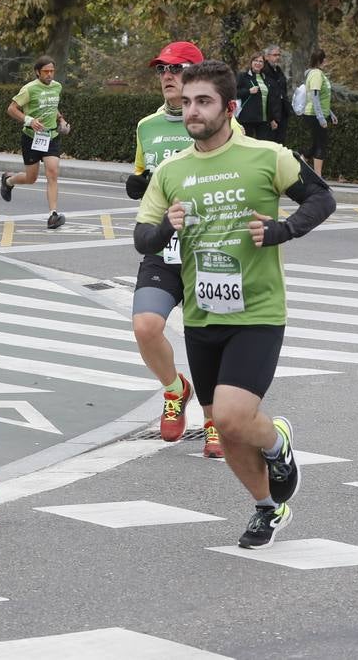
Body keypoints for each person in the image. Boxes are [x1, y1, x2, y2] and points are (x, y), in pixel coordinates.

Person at [133, 60, 336, 549]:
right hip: (203, 314)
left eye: (203, 102)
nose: (192, 112)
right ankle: (268, 507)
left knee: (228, 417)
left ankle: (276, 441)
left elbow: (321, 198)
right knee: (227, 426)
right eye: (186, 103)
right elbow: (143, 238)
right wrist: (168, 228)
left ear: (230, 107)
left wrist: (281, 230)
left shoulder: (267, 156)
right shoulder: (172, 170)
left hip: (258, 311)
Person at [125, 41, 223, 458]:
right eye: (161, 69)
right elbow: (140, 177)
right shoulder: (147, 126)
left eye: (176, 68)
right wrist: (139, 185)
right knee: (146, 326)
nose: (166, 75)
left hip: (210, 251)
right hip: (163, 249)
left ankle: (215, 416)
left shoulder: (220, 125)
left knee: (212, 339)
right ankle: (174, 389)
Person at [0, 57, 69, 229]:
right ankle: (8, 181)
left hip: (51, 136)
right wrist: (29, 120)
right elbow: (11, 109)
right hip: (31, 137)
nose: (50, 74)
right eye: (46, 71)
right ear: (37, 72)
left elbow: (52, 107)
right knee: (31, 178)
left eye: (52, 71)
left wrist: (61, 120)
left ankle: (53, 215)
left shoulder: (57, 87)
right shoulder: (29, 89)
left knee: (52, 172)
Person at [303, 48, 338, 177]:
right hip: (314, 114)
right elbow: (315, 96)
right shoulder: (316, 74)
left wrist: (331, 114)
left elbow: (323, 98)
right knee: (320, 145)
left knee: (314, 144)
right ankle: (318, 175)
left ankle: (301, 163)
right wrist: (321, 118)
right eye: (325, 58)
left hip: (320, 113)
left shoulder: (319, 74)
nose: (327, 61)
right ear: (321, 60)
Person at [235, 53, 274, 141]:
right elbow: (235, 93)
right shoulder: (243, 76)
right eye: (255, 60)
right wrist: (249, 91)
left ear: (263, 64)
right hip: (248, 118)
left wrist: (272, 118)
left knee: (263, 144)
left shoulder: (265, 78)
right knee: (247, 143)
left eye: (261, 61)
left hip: (264, 119)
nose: (258, 63)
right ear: (251, 62)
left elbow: (269, 99)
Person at [262, 45, 291, 144]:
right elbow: (264, 97)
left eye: (279, 55)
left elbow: (283, 90)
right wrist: (270, 119)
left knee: (281, 143)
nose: (277, 57)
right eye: (274, 55)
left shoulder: (278, 70)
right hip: (271, 114)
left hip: (282, 111)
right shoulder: (263, 72)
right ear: (267, 57)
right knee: (271, 143)